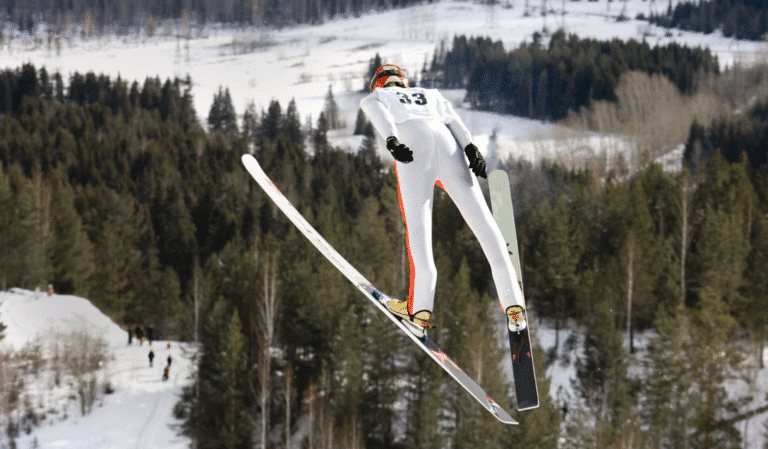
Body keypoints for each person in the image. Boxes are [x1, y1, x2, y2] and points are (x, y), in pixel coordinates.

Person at [360, 63, 527, 335]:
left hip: (412, 140)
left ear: (378, 83)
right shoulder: (431, 94)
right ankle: (514, 306)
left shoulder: (378, 96)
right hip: (448, 142)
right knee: (485, 225)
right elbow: (455, 122)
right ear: (403, 81)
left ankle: (420, 310)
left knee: (419, 229)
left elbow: (379, 114)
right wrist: (471, 149)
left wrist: (392, 141)